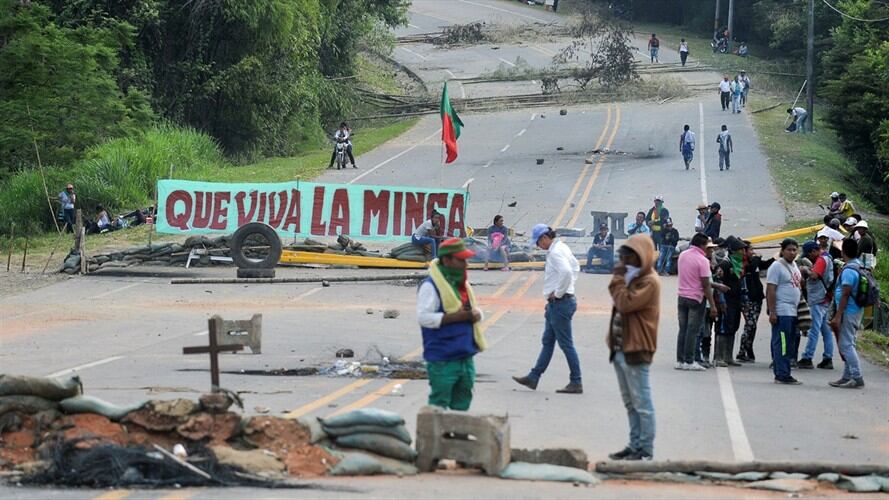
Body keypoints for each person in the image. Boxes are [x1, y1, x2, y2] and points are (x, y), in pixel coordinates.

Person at [606, 235, 660, 461]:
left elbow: (625, 304)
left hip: (637, 348)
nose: (625, 260)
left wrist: (617, 279)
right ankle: (634, 444)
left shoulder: (648, 281)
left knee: (642, 403)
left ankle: (645, 450)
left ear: (642, 256)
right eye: (623, 255)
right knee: (630, 403)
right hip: (621, 347)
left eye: (630, 255)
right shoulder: (632, 277)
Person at [513, 224, 582, 394]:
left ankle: (576, 381)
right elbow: (575, 267)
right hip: (559, 303)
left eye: (538, 242)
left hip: (560, 303)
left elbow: (566, 272)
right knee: (548, 341)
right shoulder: (562, 247)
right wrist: (567, 288)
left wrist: (558, 293)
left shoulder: (556, 252)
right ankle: (534, 377)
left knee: (566, 344)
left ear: (545, 237)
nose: (538, 246)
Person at [417, 238, 484, 410]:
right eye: (460, 259)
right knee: (438, 405)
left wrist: (475, 315)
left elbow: (474, 310)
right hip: (442, 358)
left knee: (462, 404)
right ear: (447, 260)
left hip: (465, 355)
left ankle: (456, 436)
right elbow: (424, 318)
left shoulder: (463, 284)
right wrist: (460, 317)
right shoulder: (430, 286)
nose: (465, 264)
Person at [676, 233, 718, 371]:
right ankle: (689, 360)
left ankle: (680, 360)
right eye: (707, 244)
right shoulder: (703, 260)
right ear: (702, 244)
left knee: (683, 329)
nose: (708, 247)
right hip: (696, 298)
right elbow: (706, 285)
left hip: (682, 296)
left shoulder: (683, 255)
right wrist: (712, 305)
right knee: (692, 331)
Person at [828, 239, 866, 388]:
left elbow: (845, 294)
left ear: (843, 251)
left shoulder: (850, 270)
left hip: (849, 311)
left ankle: (857, 377)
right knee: (849, 343)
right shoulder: (858, 265)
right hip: (855, 310)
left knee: (845, 345)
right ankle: (846, 376)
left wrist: (838, 316)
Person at [767, 238, 803, 385]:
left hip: (793, 312)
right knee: (781, 343)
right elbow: (770, 289)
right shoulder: (776, 266)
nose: (792, 252)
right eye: (789, 249)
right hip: (782, 311)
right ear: (782, 251)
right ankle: (781, 374)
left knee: (790, 344)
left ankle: (785, 371)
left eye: (795, 250)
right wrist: (772, 311)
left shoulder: (794, 265)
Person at [798, 241, 835, 370]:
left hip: (818, 299)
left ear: (814, 251)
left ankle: (807, 357)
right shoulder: (828, 258)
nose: (809, 257)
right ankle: (828, 358)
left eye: (809, 254)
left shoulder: (821, 260)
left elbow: (815, 275)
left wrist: (806, 270)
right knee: (826, 331)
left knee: (813, 330)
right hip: (825, 298)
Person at [736, 241, 772, 362]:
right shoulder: (742, 263)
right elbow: (751, 267)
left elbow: (765, 265)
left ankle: (749, 349)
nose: (753, 252)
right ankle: (742, 351)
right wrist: (756, 258)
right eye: (750, 250)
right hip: (747, 299)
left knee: (753, 325)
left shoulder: (755, 262)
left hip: (757, 297)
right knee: (750, 324)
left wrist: (775, 258)